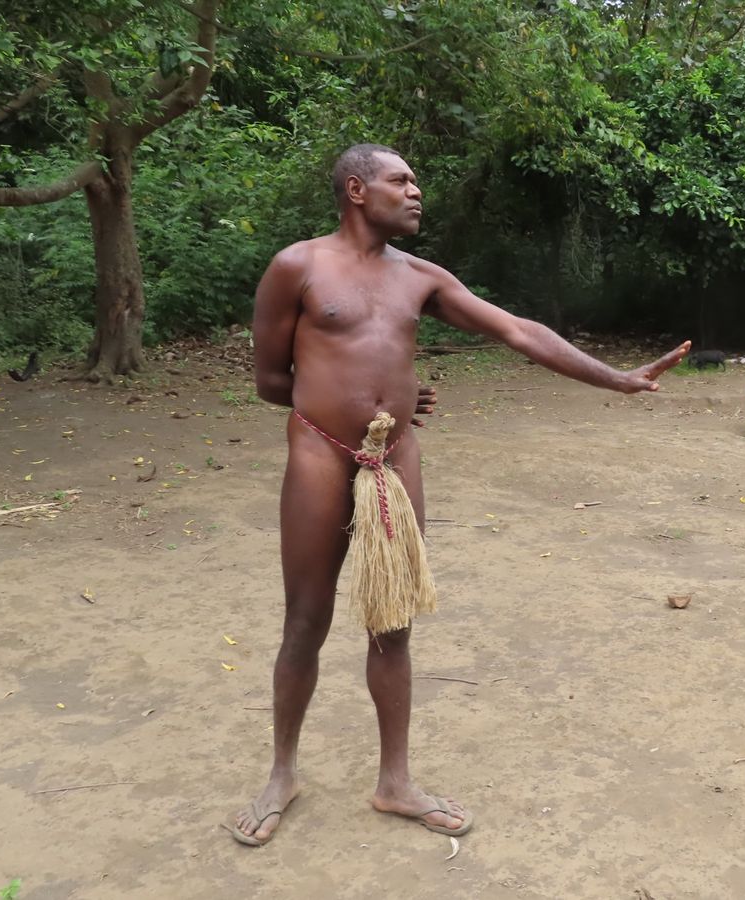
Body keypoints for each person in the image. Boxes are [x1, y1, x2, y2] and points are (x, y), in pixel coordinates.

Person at [230, 143, 689, 846]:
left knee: (394, 623)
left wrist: (617, 378)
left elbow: (517, 330)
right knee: (306, 621)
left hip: (395, 459)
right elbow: (270, 381)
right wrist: (347, 404)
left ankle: (395, 782)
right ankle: (281, 773)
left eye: (416, 180)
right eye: (401, 180)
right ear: (356, 190)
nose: (417, 191)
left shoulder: (421, 278)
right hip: (320, 452)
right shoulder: (298, 266)